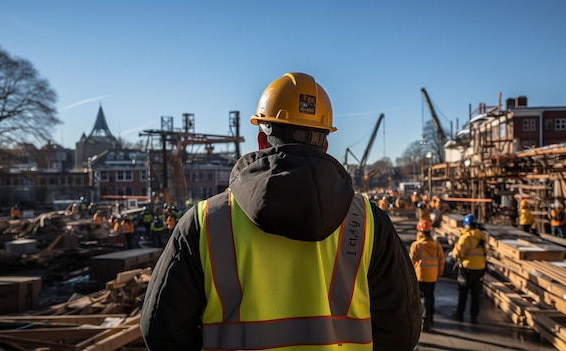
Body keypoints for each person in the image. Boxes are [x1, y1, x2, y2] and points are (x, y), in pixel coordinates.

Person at [140, 72, 421, 350]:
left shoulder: (205, 223)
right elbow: (401, 330)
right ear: (324, 144)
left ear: (262, 141)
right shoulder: (369, 223)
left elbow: (161, 331)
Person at [409, 219, 445, 331]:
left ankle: (421, 318)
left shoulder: (416, 245)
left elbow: (410, 261)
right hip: (432, 276)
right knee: (430, 296)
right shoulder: (437, 246)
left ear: (420, 232)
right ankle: (429, 316)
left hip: (419, 276)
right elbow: (442, 261)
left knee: (419, 298)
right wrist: (439, 273)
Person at [451, 214, 487, 323]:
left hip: (467, 268)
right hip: (480, 268)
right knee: (475, 294)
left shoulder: (465, 238)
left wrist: (456, 248)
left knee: (463, 292)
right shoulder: (481, 236)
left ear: (466, 225)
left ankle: (459, 313)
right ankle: (474, 316)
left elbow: (457, 254)